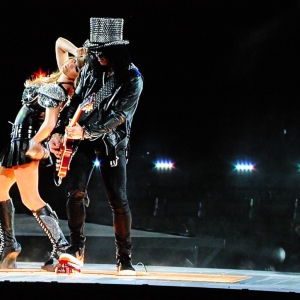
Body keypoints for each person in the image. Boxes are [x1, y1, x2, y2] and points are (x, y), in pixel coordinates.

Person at [49, 17, 143, 275]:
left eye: (104, 52)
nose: (98, 56)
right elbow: (76, 100)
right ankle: (77, 248)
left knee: (118, 200)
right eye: (96, 51)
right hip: (82, 139)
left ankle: (125, 258)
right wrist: (59, 131)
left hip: (112, 142)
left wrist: (87, 131)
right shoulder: (92, 66)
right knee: (74, 192)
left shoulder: (133, 78)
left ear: (117, 51)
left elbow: (119, 116)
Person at [0, 37, 85, 271]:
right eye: (71, 62)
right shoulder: (61, 78)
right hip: (18, 141)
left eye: (76, 66)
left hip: (26, 142)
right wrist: (77, 51)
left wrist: (35, 143)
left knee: (30, 199)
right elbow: (59, 42)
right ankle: (8, 245)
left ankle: (61, 247)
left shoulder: (59, 90)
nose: (69, 64)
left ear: (79, 77)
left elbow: (49, 124)